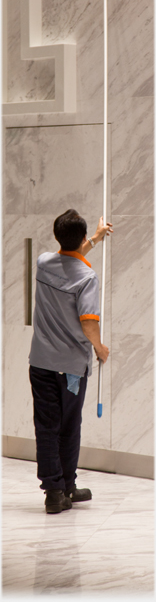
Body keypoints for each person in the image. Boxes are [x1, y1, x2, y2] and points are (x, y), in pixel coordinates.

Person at [29, 209, 113, 514]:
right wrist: (100, 348)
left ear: (56, 236)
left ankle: (56, 490)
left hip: (40, 363)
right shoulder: (87, 278)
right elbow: (89, 323)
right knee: (68, 427)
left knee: (46, 427)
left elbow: (66, 258)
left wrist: (93, 240)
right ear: (79, 236)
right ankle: (64, 485)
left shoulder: (42, 263)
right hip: (71, 370)